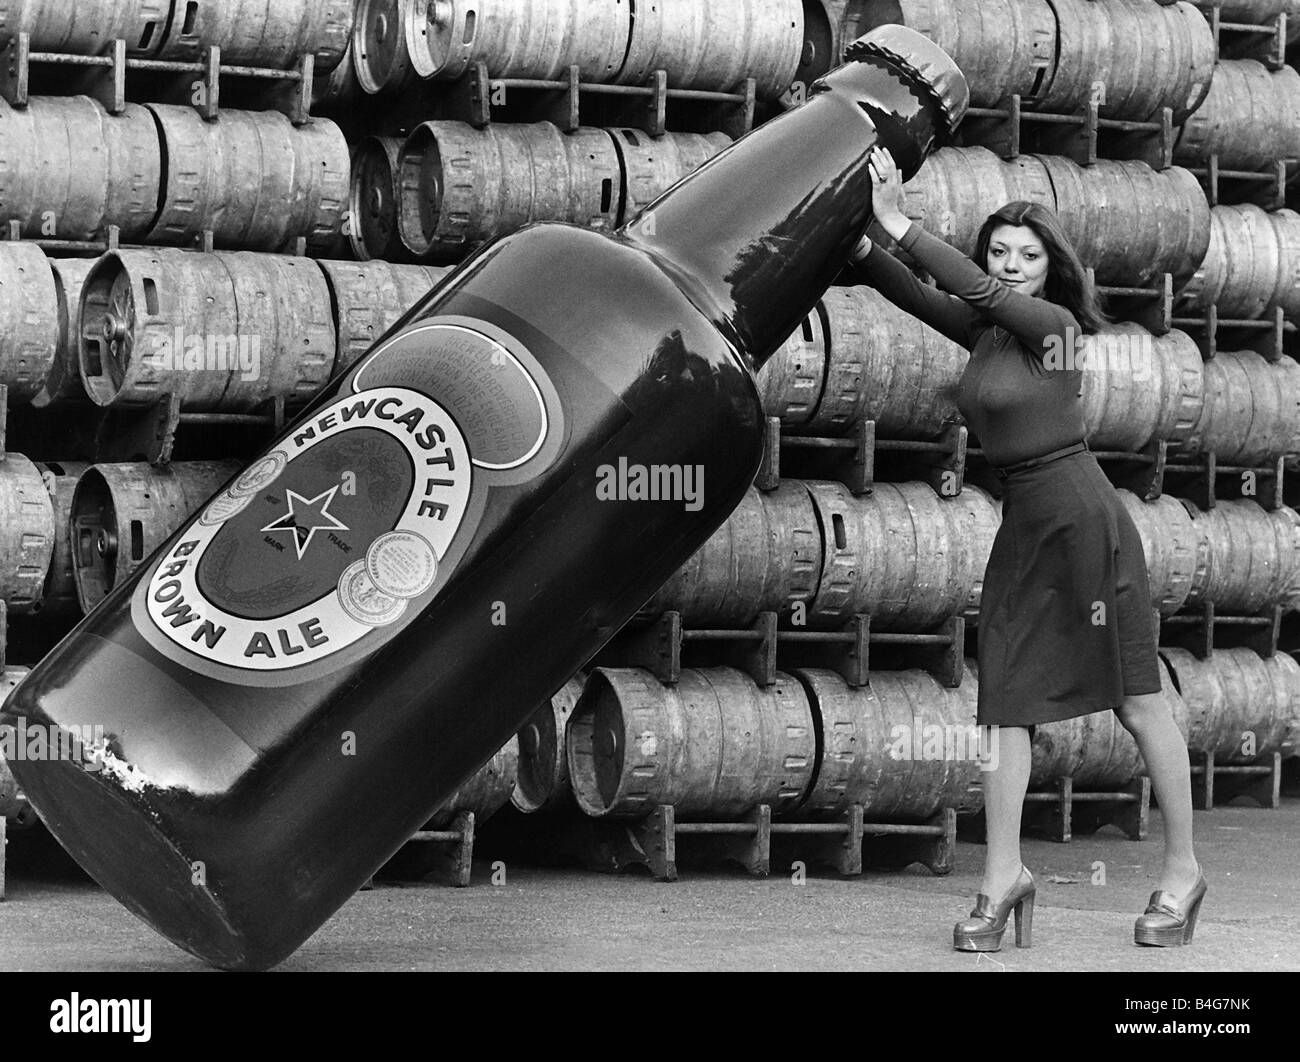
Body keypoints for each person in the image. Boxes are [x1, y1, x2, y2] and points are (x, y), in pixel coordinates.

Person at [847, 145, 1205, 951]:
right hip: (1024, 528)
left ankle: (1183, 874)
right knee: (1002, 703)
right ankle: (1002, 876)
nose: (1009, 267)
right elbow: (902, 286)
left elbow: (966, 285)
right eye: (999, 253)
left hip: (1083, 521)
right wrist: (860, 237)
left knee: (1137, 698)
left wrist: (902, 220)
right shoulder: (988, 334)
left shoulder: (1056, 330)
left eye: (1027, 256)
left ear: (1052, 268)